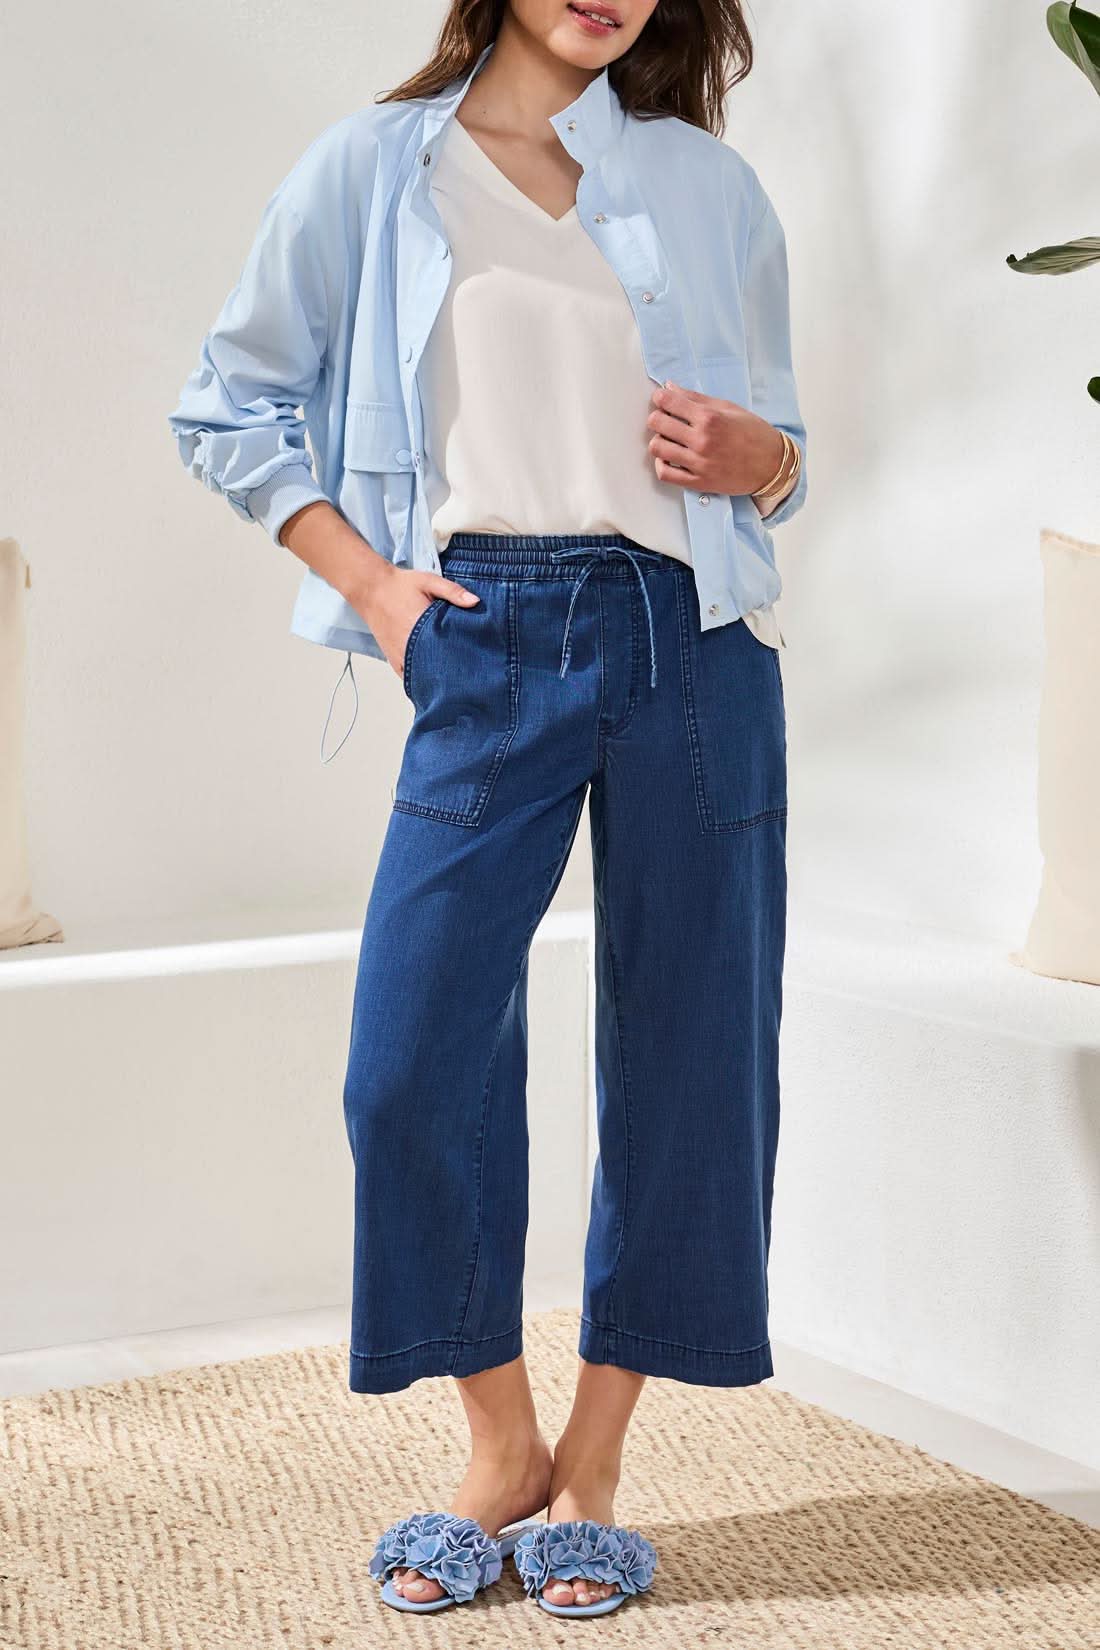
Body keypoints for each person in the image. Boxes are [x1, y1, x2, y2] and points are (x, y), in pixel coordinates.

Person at [168, 0, 807, 1621]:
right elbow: (227, 401)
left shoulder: (707, 187)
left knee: (691, 1057)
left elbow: (787, 452)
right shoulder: (375, 171)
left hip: (696, 651)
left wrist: (766, 458)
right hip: (485, 628)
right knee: (410, 1062)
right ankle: (497, 1443)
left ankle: (591, 1461)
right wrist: (378, 590)